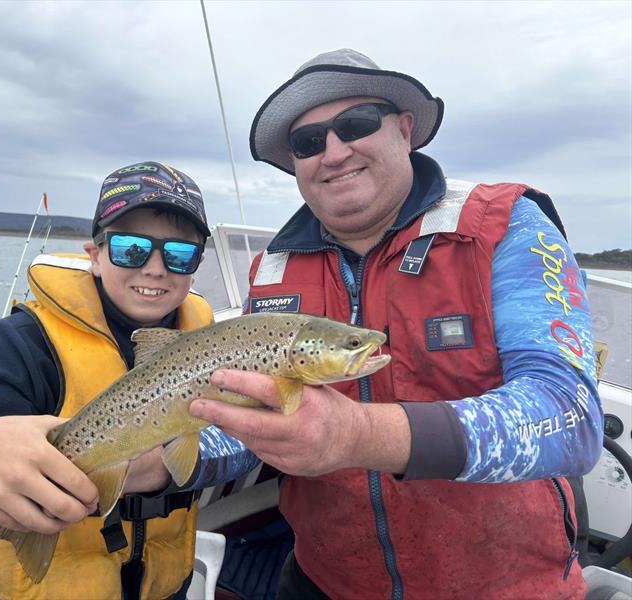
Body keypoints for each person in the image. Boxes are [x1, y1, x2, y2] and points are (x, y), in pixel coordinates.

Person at [189, 49, 604, 599]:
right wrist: (165, 461)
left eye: (355, 124)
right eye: (308, 142)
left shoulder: (504, 225)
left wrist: (362, 435)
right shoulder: (272, 270)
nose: (333, 152)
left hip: (505, 587)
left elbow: (570, 418)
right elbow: (259, 425)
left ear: (405, 129)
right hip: (322, 581)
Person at [0, 161, 257, 600]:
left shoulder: (211, 341)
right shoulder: (24, 344)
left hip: (164, 585)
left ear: (195, 266)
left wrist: (162, 471)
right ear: (95, 255)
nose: (155, 268)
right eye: (131, 249)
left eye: (179, 254)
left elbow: (249, 438)